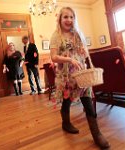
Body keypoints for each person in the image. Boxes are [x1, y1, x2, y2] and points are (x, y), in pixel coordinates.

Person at [50, 7, 110, 149]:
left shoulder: (77, 34)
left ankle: (97, 134)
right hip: (65, 76)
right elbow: (53, 57)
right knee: (66, 100)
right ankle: (66, 123)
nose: (69, 20)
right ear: (60, 19)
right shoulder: (56, 35)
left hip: (81, 75)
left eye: (71, 17)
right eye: (66, 17)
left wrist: (83, 52)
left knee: (88, 101)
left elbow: (83, 54)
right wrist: (69, 60)